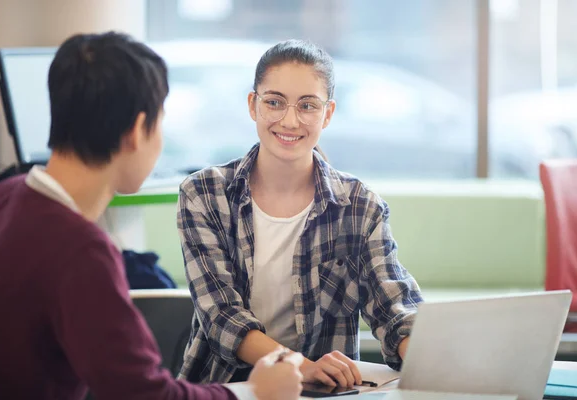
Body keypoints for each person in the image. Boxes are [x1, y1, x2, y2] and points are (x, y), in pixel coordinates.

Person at [0, 32, 304, 400]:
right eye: (159, 122)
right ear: (137, 131)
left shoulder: (3, 198)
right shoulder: (80, 251)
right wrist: (254, 392)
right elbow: (146, 395)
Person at [176, 39, 424, 387]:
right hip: (225, 387)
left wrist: (434, 359)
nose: (290, 121)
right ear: (253, 105)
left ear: (328, 113)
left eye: (308, 106)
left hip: (322, 393)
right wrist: (302, 366)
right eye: (274, 103)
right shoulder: (204, 194)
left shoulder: (359, 206)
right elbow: (222, 318)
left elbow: (394, 308)